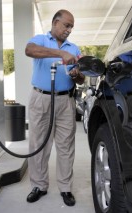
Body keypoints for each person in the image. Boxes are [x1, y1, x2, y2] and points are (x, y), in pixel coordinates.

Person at [25, 9, 85, 207]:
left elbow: (82, 78)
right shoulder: (41, 40)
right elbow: (29, 50)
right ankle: (39, 186)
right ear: (55, 22)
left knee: (66, 146)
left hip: (65, 101)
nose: (69, 30)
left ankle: (65, 188)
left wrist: (77, 74)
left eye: (71, 27)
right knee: (39, 144)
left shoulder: (74, 48)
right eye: (66, 25)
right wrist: (60, 53)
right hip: (40, 99)